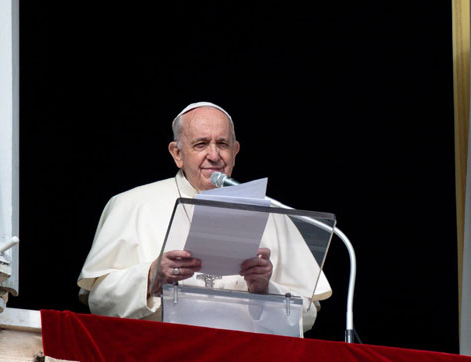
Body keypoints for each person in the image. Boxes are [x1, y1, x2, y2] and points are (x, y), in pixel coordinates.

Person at [77, 102, 331, 332]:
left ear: (236, 150)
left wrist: (266, 290)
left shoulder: (273, 213)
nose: (214, 155)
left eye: (222, 144)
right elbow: (99, 302)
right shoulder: (132, 204)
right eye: (201, 144)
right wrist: (152, 277)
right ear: (177, 153)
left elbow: (307, 316)